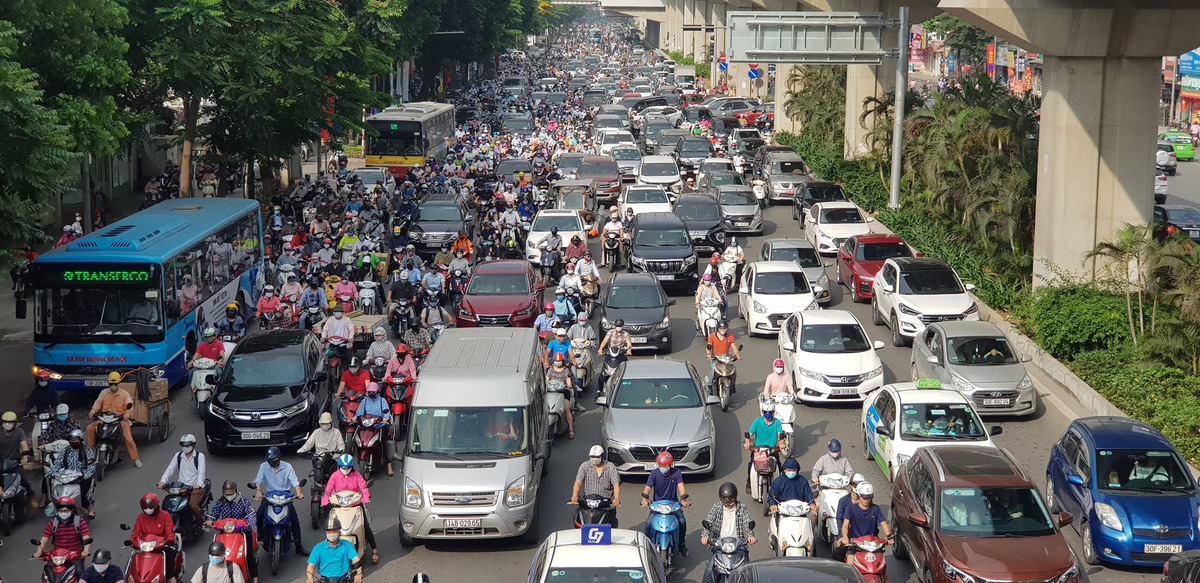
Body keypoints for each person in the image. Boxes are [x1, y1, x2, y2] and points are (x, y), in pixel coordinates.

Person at [322, 455, 379, 563]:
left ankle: (375, 550)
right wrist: (325, 499)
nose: (345, 470)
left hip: (355, 505)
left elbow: (363, 487)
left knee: (365, 526)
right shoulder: (335, 476)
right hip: (339, 506)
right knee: (331, 528)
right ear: (339, 467)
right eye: (343, 468)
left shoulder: (356, 475)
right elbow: (328, 489)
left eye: (347, 468)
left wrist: (366, 496)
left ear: (352, 467)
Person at [253, 447, 307, 555]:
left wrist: (299, 492)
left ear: (278, 458)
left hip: (285, 496)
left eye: (272, 460)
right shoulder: (263, 466)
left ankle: (299, 546)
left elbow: (295, 481)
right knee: (259, 514)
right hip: (269, 496)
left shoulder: (287, 467)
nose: (270, 462)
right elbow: (258, 480)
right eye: (269, 460)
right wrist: (259, 491)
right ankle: (261, 534)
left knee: (294, 520)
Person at [205, 480, 259, 583]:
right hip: (225, 532)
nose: (228, 496)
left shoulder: (244, 501)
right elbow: (213, 513)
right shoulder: (221, 502)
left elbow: (251, 513)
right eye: (226, 494)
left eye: (230, 493)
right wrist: (209, 521)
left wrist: (249, 521)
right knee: (216, 552)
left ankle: (255, 578)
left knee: (248, 555)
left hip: (242, 531)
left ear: (235, 491)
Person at [640, 452, 691, 557]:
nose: (663, 468)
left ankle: (681, 544)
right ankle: (647, 545)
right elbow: (648, 487)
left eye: (665, 466)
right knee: (648, 523)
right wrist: (645, 499)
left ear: (670, 464)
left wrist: (683, 499)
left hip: (673, 504)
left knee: (682, 521)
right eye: (661, 466)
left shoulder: (677, 473)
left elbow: (681, 487)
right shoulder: (654, 474)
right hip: (657, 505)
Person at [85, 375, 141, 467]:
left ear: (118, 383)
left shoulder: (125, 394)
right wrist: (93, 411)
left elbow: (130, 408)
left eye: (115, 383)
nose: (113, 385)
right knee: (89, 429)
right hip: (104, 419)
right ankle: (91, 452)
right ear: (109, 383)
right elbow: (97, 403)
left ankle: (136, 459)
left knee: (128, 439)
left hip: (119, 420)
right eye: (111, 383)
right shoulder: (103, 393)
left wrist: (127, 415)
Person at [157, 434, 208, 528]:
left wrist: (199, 484)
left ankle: (203, 522)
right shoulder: (178, 455)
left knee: (192, 505)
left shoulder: (200, 456)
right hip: (180, 487)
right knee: (169, 504)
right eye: (183, 445)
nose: (185, 447)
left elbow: (201, 471)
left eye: (187, 445)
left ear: (193, 445)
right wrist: (162, 481)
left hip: (194, 487)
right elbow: (170, 469)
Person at [836, 481, 892, 565]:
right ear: (859, 496)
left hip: (873, 545)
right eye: (864, 497)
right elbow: (845, 525)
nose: (866, 500)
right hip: (855, 544)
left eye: (868, 498)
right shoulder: (850, 509)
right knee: (850, 563)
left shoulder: (875, 509)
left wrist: (889, 537)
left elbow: (884, 524)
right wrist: (845, 537)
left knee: (882, 565)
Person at [34, 497, 93, 571]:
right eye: (61, 511)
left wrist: (86, 551)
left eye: (66, 511)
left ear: (72, 510)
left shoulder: (79, 521)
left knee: (81, 575)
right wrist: (39, 551)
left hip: (75, 555)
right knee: (47, 572)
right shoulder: (53, 523)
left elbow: (86, 537)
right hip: (58, 556)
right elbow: (44, 538)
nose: (63, 513)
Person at [133, 493, 181, 583]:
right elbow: (136, 532)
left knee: (170, 571)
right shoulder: (140, 517)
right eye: (145, 508)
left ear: (156, 506)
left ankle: (171, 578)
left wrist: (170, 539)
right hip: (146, 546)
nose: (148, 510)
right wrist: (132, 540)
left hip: (162, 546)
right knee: (134, 560)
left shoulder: (164, 515)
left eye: (150, 507)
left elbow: (169, 529)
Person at [700, 483, 757, 557]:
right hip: (719, 543)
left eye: (730, 498)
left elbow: (747, 521)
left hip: (738, 544)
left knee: (746, 566)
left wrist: (751, 536)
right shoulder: (716, 507)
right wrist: (705, 536)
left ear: (735, 497)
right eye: (725, 498)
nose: (727, 501)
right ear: (721, 498)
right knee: (710, 567)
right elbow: (709, 521)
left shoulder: (742, 507)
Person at [48, 430, 96, 518]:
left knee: (81, 496)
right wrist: (52, 472)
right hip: (67, 478)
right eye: (71, 439)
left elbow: (91, 466)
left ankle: (89, 509)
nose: (73, 441)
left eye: (75, 439)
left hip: (82, 478)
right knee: (58, 494)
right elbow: (58, 463)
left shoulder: (87, 451)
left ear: (81, 440)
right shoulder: (65, 451)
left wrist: (84, 475)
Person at [352, 383, 394, 475]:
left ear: (377, 392)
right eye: (369, 392)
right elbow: (359, 412)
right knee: (356, 440)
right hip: (366, 426)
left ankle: (388, 464)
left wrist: (385, 418)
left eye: (373, 392)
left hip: (379, 426)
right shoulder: (365, 401)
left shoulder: (382, 401)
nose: (371, 393)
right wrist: (355, 417)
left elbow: (386, 412)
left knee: (383, 443)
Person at [306, 518, 360, 583]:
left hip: (344, 579)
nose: (331, 534)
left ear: (339, 531)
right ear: (325, 532)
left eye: (334, 531)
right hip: (324, 580)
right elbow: (311, 565)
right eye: (329, 531)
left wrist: (359, 573)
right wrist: (310, 578)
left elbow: (356, 559)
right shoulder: (318, 548)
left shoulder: (347, 544)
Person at [744, 403, 786, 487]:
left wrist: (781, 444)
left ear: (773, 412)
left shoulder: (777, 422)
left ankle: (780, 484)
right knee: (751, 464)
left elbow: (780, 435)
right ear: (763, 412)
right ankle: (749, 483)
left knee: (778, 465)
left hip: (772, 449)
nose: (768, 414)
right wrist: (747, 443)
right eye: (766, 412)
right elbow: (749, 434)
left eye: (770, 412)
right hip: (758, 449)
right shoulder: (757, 421)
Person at [546, 353, 576, 439]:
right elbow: (547, 379)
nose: (558, 362)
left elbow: (568, 382)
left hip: (563, 392)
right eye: (556, 360)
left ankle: (571, 429)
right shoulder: (550, 370)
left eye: (559, 361)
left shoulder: (566, 370)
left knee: (566, 410)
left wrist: (568, 385)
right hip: (551, 391)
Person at [704, 320, 741, 389]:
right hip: (715, 358)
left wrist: (737, 355)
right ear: (718, 328)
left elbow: (734, 347)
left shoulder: (730, 337)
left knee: (733, 369)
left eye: (724, 328)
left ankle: (733, 384)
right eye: (721, 328)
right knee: (713, 370)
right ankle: (710, 385)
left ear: (727, 329)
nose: (722, 330)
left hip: (725, 358)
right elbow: (708, 346)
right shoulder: (712, 336)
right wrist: (709, 354)